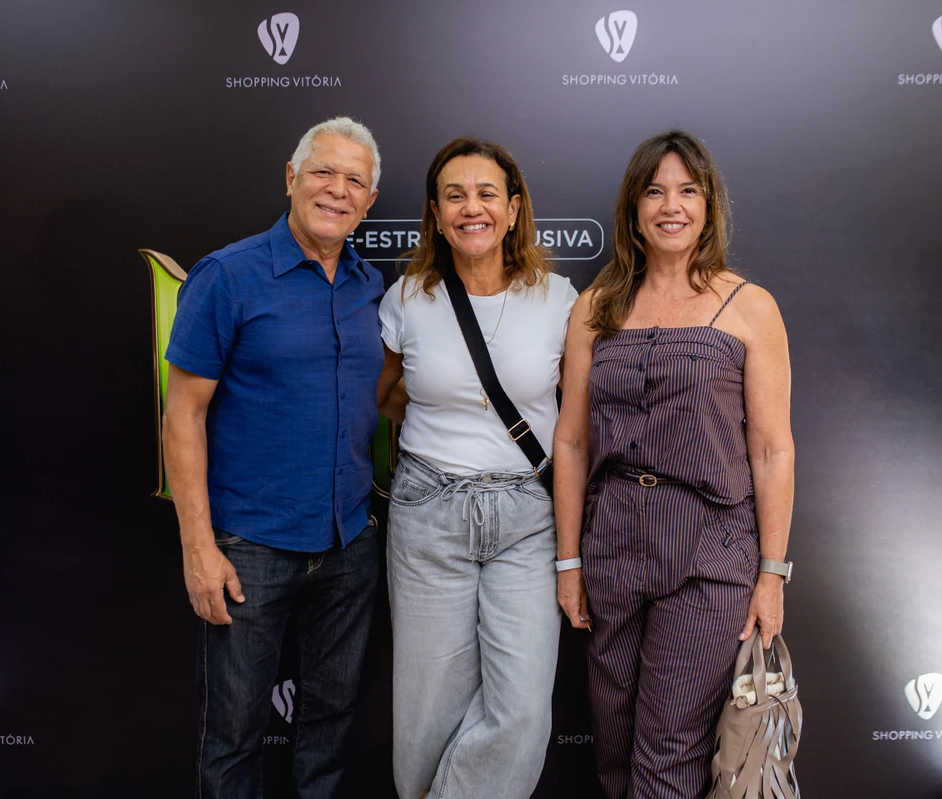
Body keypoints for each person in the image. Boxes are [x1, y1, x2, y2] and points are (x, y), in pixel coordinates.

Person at [552, 131, 795, 799]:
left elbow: (774, 450)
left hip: (708, 551)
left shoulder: (748, 306)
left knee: (667, 754)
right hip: (611, 548)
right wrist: (569, 562)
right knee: (614, 745)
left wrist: (772, 574)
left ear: (709, 204)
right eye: (655, 190)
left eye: (688, 190)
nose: (672, 205)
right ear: (633, 207)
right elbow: (572, 441)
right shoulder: (596, 307)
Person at [162, 116, 383, 799]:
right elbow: (183, 413)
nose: (337, 190)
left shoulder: (369, 285)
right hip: (249, 543)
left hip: (349, 543)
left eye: (355, 180)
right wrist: (198, 546)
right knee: (233, 732)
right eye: (323, 172)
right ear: (291, 178)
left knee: (332, 722)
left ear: (369, 202)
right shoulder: (228, 276)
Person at [376, 137, 579, 799]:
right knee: (426, 717)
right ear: (435, 214)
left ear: (514, 208)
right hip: (429, 512)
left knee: (520, 711)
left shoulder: (558, 298)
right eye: (454, 195)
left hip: (528, 515)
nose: (473, 207)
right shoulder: (408, 297)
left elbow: (578, 422)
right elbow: (383, 399)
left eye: (487, 193)